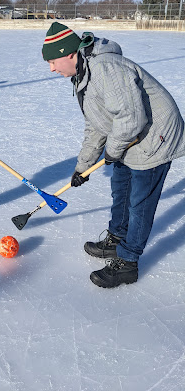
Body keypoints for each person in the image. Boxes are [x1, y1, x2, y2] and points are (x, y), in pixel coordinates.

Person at [42, 22, 185, 288]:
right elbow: (96, 123)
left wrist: (112, 151)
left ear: (70, 54)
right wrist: (82, 166)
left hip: (155, 136)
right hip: (131, 137)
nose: (51, 68)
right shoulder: (83, 74)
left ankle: (128, 263)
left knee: (139, 203)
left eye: (53, 61)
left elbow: (132, 119)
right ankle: (117, 239)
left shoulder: (106, 70)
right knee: (121, 189)